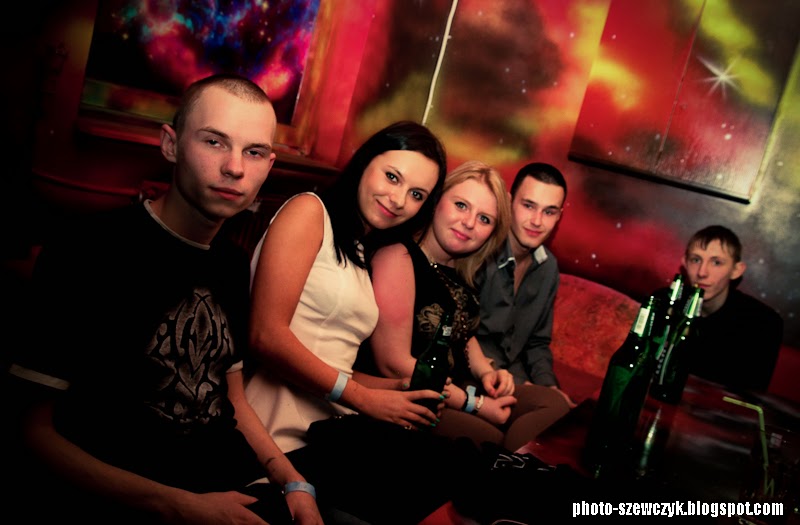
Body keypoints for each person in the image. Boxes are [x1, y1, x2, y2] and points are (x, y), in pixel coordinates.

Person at [6, 73, 321, 525]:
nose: (234, 168)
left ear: (269, 165)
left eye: (253, 152)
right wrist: (178, 505)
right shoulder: (86, 250)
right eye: (214, 142)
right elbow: (30, 430)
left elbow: (232, 400)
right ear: (171, 145)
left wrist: (293, 481)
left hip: (230, 482)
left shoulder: (232, 264)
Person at [244, 121, 481, 524]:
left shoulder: (357, 248)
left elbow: (331, 361)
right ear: (365, 161)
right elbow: (266, 336)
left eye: (417, 194)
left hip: (331, 431)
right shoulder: (309, 211)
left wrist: (395, 389)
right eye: (392, 177)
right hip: (279, 437)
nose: (399, 200)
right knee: (453, 474)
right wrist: (363, 398)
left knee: (463, 472)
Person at [361, 160, 570, 452]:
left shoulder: (459, 265)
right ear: (437, 200)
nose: (470, 223)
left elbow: (463, 332)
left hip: (458, 384)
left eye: (484, 219)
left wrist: (487, 372)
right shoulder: (399, 257)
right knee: (493, 441)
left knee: (556, 406)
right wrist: (475, 403)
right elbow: (393, 364)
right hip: (411, 393)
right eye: (461, 205)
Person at [474, 162, 576, 408]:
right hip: (473, 374)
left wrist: (549, 387)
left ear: (559, 216)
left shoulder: (548, 268)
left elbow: (537, 343)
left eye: (549, 212)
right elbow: (462, 333)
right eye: (528, 206)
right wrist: (524, 385)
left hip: (513, 379)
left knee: (562, 409)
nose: (537, 221)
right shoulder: (480, 251)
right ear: (509, 202)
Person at [680, 225, 783, 392]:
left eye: (716, 262)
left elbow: (748, 394)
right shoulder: (664, 305)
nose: (702, 272)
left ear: (736, 270)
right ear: (684, 263)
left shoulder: (761, 323)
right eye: (696, 260)